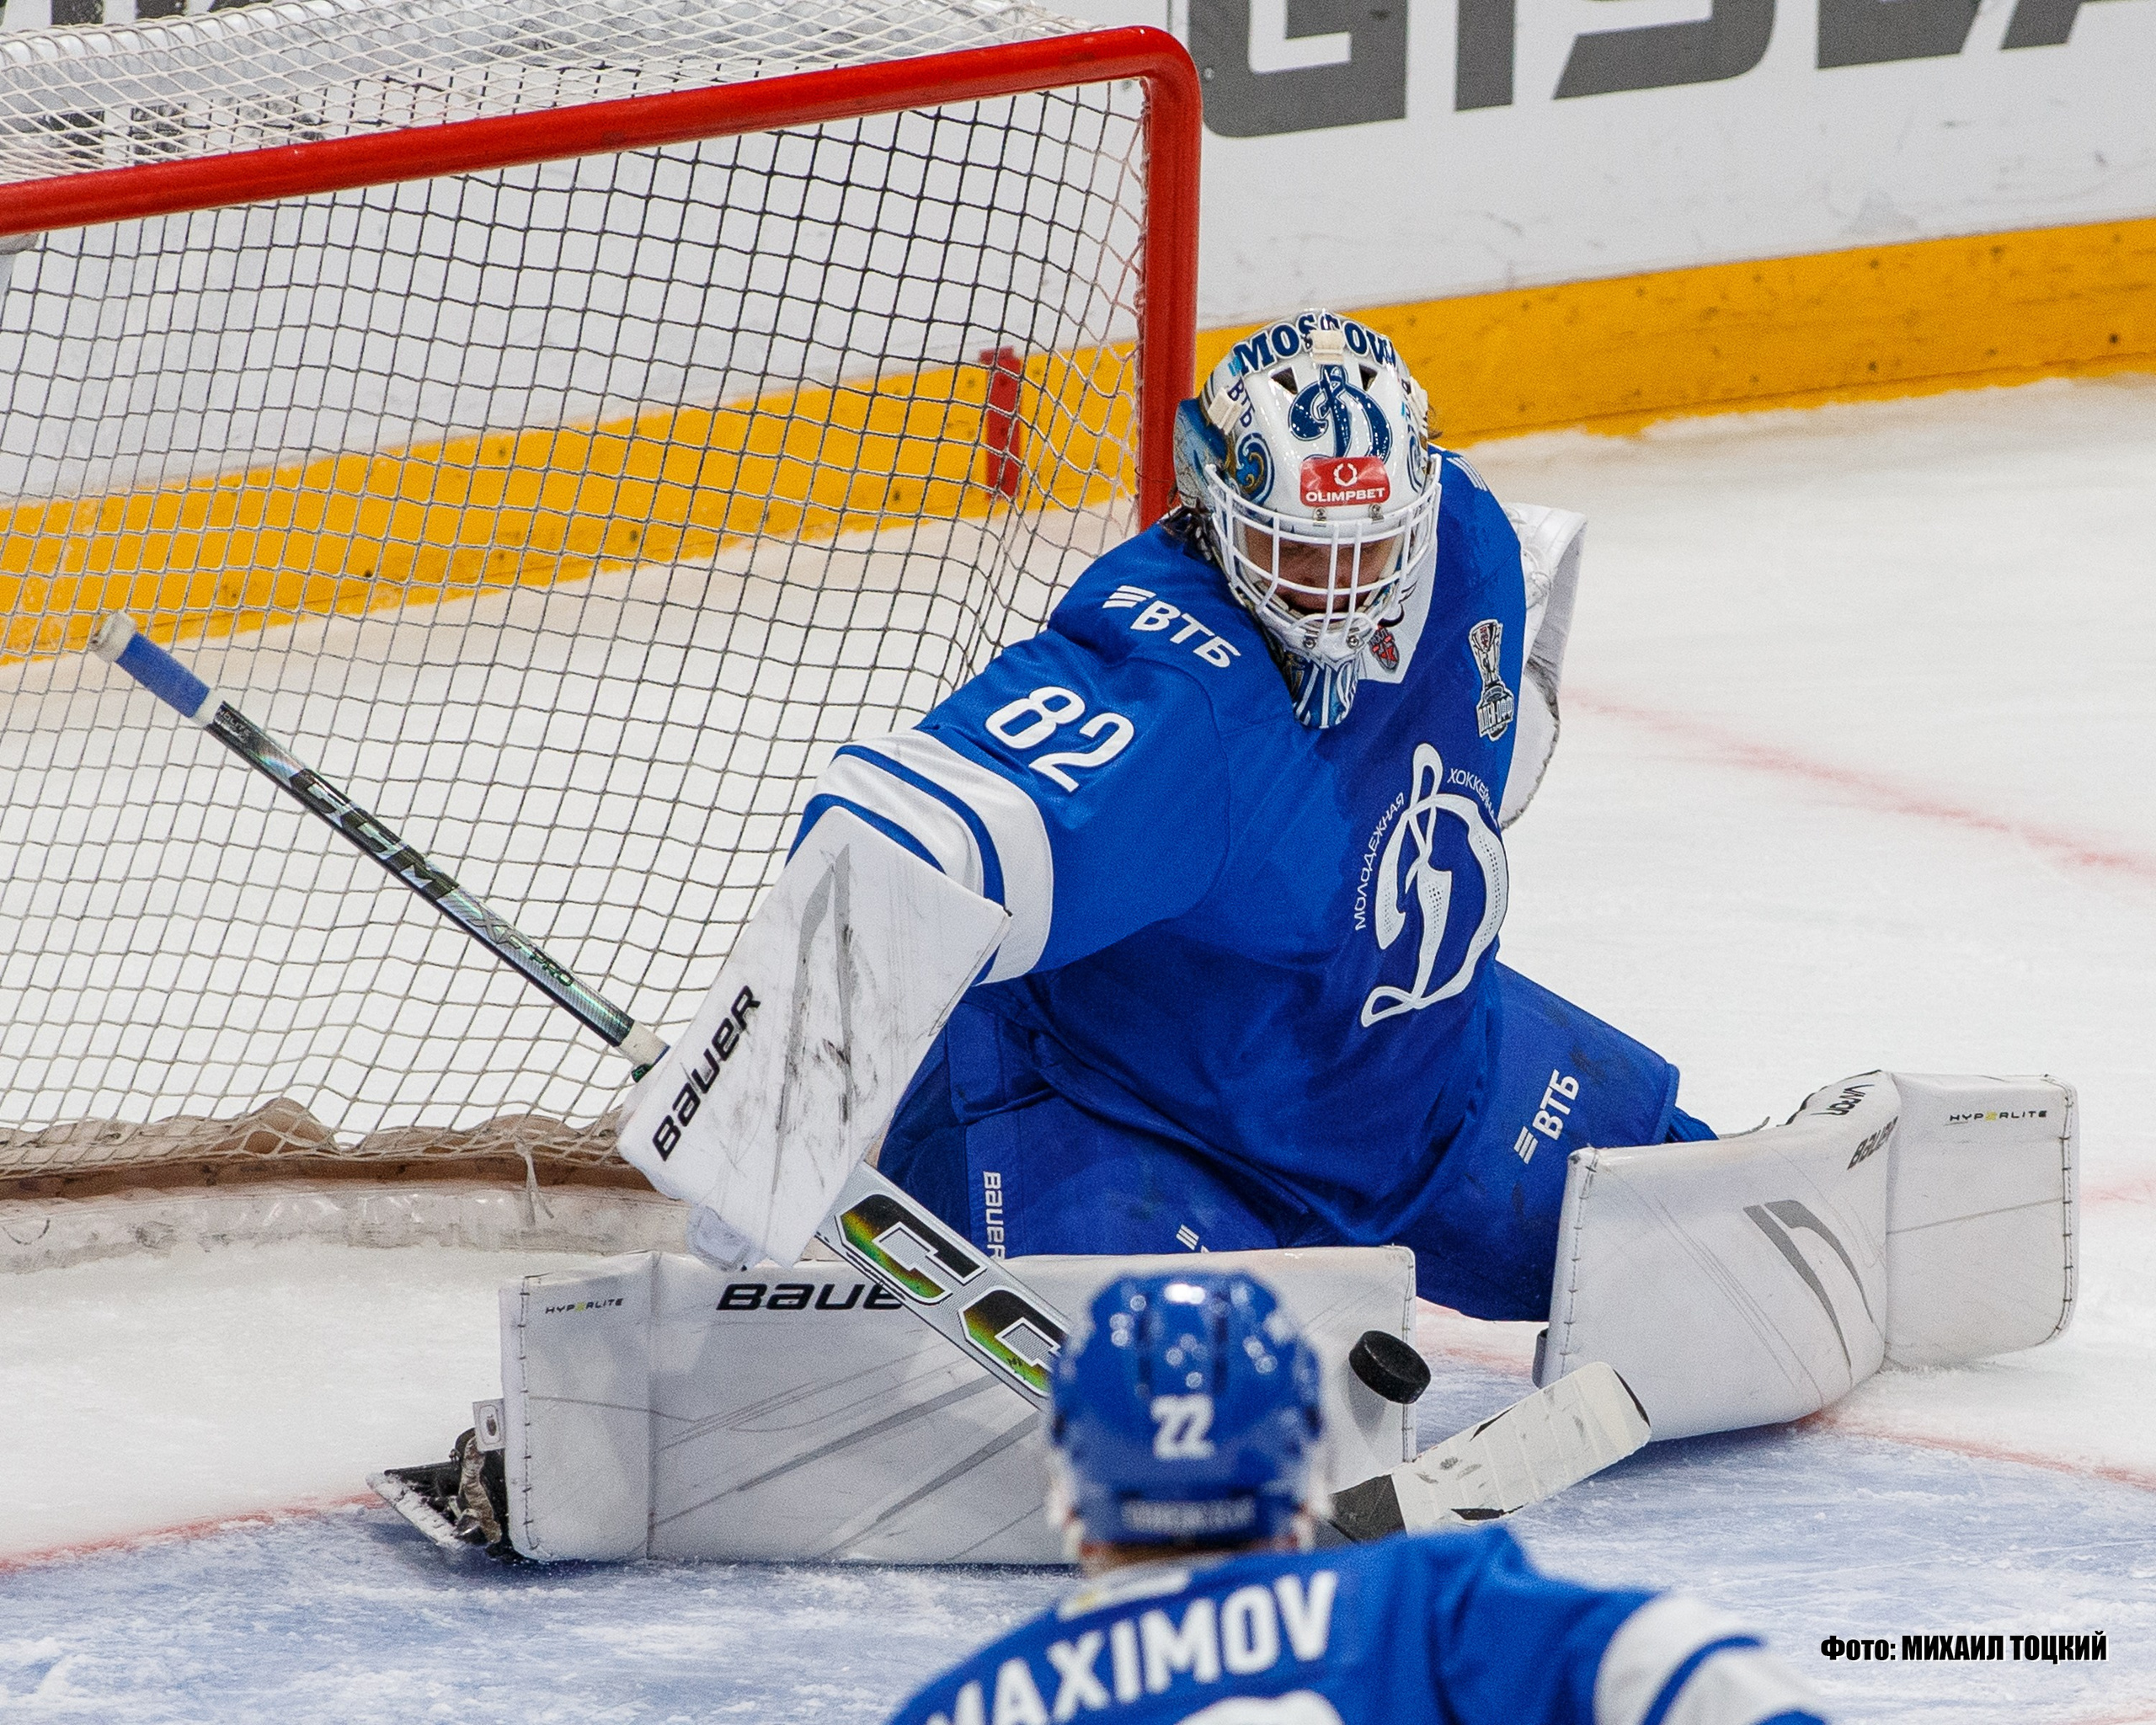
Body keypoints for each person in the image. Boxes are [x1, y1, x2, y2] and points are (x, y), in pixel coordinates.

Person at [799, 306, 1710, 1321]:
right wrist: (764, 1117)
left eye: (1370, 550)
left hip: (1408, 1082)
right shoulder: (1165, 691)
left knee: (1710, 1240)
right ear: (1214, 499)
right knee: (1188, 1437)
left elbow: (1507, 667)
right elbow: (895, 836)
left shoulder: (1464, 534)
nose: (1338, 594)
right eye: (1298, 551)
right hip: (1127, 1122)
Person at [884, 1269, 1826, 1725]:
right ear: (1299, 1469)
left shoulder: (966, 1704)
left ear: (1068, 1489)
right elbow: (1672, 1658)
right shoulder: (1423, 1607)